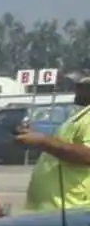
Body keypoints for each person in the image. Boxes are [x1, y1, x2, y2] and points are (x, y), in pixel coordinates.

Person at [17, 76, 90, 211]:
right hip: (54, 208)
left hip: (70, 209)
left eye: (82, 86)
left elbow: (87, 155)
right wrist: (35, 137)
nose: (76, 89)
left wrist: (42, 141)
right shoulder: (81, 116)